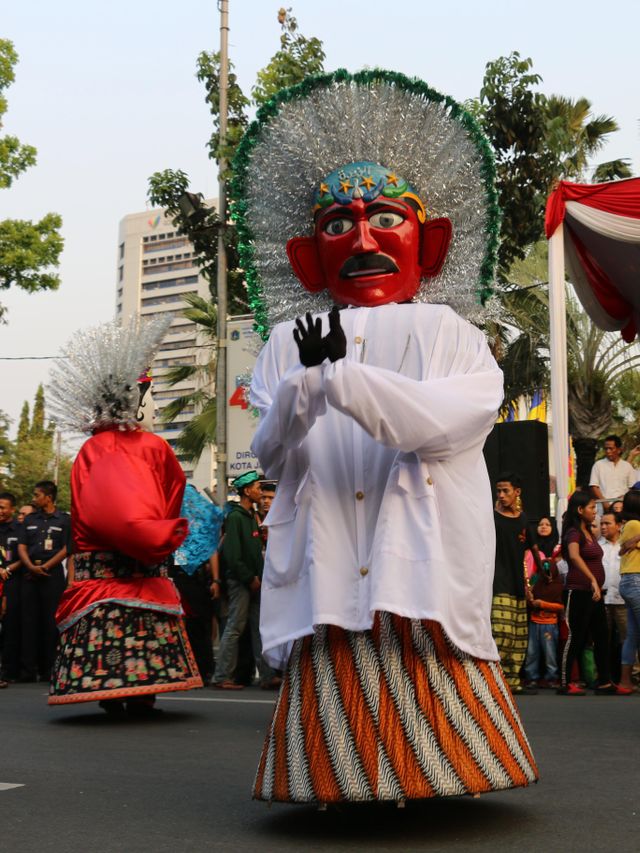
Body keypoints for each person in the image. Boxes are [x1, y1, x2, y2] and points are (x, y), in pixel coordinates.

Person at [240, 70, 538, 803]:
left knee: (417, 620)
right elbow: (268, 450)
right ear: (308, 255)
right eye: (339, 224)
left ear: (429, 243)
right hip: (331, 540)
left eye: (386, 219)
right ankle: (343, 776)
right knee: (337, 622)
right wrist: (307, 386)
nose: (364, 237)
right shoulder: (288, 341)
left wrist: (342, 381)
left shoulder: (451, 332)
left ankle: (429, 773)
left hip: (419, 546)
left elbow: (448, 422)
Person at [46, 317, 202, 714]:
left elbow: (82, 501)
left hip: (97, 555)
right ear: (136, 402)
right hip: (142, 554)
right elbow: (173, 491)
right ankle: (144, 688)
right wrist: (158, 530)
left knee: (105, 611)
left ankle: (104, 688)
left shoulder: (89, 450)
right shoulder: (152, 445)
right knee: (141, 613)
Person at [213, 471, 279, 690]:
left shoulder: (251, 517)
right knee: (234, 628)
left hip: (254, 582)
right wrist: (249, 577)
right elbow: (232, 554)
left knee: (258, 629)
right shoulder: (235, 518)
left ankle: (267, 675)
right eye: (257, 488)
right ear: (246, 490)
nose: (260, 492)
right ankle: (222, 676)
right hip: (242, 583)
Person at [559, 490, 616, 695]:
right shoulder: (573, 533)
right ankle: (565, 683)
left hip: (594, 593)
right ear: (580, 510)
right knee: (576, 636)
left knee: (602, 636)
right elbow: (574, 556)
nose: (595, 511)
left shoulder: (589, 533)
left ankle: (604, 682)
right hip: (578, 591)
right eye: (592, 507)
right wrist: (592, 579)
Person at [492, 474, 543, 692]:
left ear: (517, 492)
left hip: (517, 583)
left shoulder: (523, 519)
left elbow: (531, 550)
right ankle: (494, 678)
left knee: (518, 635)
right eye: (499, 491)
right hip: (497, 581)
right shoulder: (491, 518)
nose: (501, 495)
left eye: (505, 490)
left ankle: (512, 681)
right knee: (500, 631)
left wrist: (540, 574)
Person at [17, 481, 70, 683]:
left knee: (51, 623)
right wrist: (31, 566)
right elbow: (22, 546)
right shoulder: (30, 519)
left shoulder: (64, 520)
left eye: (37, 495)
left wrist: (46, 566)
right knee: (28, 622)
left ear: (48, 497)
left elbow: (67, 549)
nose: (33, 498)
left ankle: (50, 670)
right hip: (30, 574)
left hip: (52, 575)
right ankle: (28, 670)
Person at [171, 484, 224, 684]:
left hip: (200, 581)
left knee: (201, 626)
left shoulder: (202, 527)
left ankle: (204, 670)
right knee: (188, 627)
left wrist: (216, 580)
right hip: (182, 580)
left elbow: (212, 553)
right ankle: (191, 670)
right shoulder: (177, 526)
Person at [523, 559, 563, 690]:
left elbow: (560, 606)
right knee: (532, 652)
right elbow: (531, 602)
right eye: (544, 573)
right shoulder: (537, 584)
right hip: (535, 623)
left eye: (549, 573)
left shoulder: (558, 586)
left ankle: (551, 677)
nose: (548, 576)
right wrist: (530, 600)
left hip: (549, 625)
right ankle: (531, 677)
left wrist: (543, 604)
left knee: (550, 653)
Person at [616, 489, 640, 694]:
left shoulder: (630, 526)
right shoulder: (634, 525)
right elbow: (624, 547)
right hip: (636, 580)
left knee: (633, 635)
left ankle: (625, 682)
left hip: (629, 580)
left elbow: (623, 548)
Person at [599, 510, 626, 682]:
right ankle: (603, 677)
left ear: (618, 525)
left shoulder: (626, 547)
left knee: (628, 640)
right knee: (602, 642)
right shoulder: (597, 547)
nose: (603, 527)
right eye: (601, 523)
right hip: (602, 600)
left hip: (624, 601)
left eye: (607, 523)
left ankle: (631, 677)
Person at [0, 492, 23, 685]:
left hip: (13, 581)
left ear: (12, 509)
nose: (0, 511)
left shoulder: (19, 529)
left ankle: (9, 670)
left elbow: (24, 556)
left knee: (11, 626)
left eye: (3, 507)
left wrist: (6, 569)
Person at [590, 435, 638, 512]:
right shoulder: (598, 465)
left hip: (622, 507)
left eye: (611, 448)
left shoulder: (627, 466)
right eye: (606, 449)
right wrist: (604, 502)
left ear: (619, 450)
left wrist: (625, 497)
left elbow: (632, 487)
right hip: (603, 507)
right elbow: (594, 486)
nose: (608, 451)